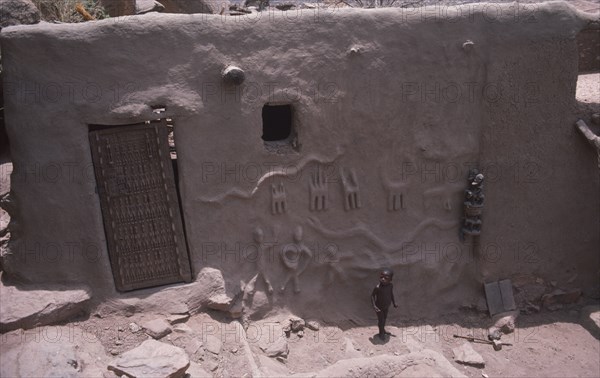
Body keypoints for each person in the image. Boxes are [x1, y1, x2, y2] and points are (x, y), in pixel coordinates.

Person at [371, 268, 398, 339]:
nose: (383, 279)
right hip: (379, 307)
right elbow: (372, 296)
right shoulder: (377, 287)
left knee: (384, 319)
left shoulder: (390, 286)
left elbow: (391, 294)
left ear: (390, 279)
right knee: (381, 320)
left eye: (386, 278)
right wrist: (374, 306)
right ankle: (381, 333)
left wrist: (394, 303)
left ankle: (383, 330)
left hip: (386, 306)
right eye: (381, 277)